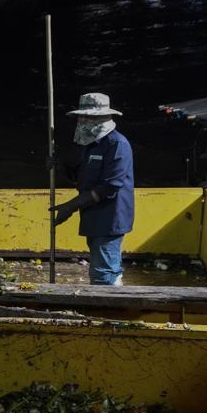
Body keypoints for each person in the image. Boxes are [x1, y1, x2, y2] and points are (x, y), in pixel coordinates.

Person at [51, 92, 134, 286]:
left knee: (103, 272)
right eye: (81, 117)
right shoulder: (88, 145)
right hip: (92, 215)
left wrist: (70, 206)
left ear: (103, 118)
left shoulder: (116, 144)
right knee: (102, 264)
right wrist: (59, 167)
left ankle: (109, 301)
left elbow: (110, 186)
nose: (83, 122)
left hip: (109, 216)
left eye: (88, 118)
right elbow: (80, 178)